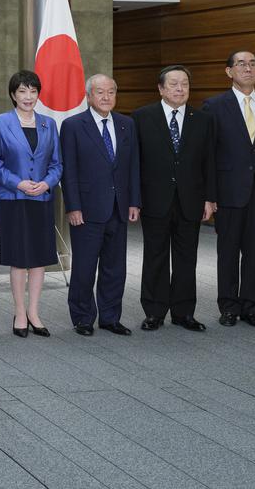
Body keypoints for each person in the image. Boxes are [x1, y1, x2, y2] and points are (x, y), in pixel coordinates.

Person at [202, 51, 255, 328]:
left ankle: (250, 306)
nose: (247, 69)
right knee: (227, 252)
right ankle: (228, 306)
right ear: (229, 71)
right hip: (228, 193)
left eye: (252, 65)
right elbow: (208, 156)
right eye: (241, 64)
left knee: (254, 252)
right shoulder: (213, 106)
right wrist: (209, 196)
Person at [131, 65, 216, 333]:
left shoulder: (202, 119)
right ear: (161, 88)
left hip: (191, 200)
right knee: (155, 256)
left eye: (185, 85)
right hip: (155, 199)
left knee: (186, 258)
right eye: (174, 84)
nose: (180, 89)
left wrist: (210, 199)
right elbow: (135, 163)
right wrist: (135, 198)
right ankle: (154, 311)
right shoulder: (142, 117)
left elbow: (209, 162)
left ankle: (183, 312)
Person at [61, 74, 140, 336]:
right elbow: (68, 170)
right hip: (86, 209)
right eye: (100, 92)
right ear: (89, 96)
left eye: (111, 92)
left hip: (119, 207)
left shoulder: (127, 124)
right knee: (84, 267)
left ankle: (110, 317)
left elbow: (133, 168)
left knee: (115, 267)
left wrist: (134, 202)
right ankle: (83, 317)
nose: (106, 97)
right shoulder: (73, 125)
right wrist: (73, 206)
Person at [0, 70, 61, 338]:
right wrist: (18, 183)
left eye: (33, 91)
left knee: (41, 257)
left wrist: (46, 183)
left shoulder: (48, 124)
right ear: (13, 94)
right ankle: (20, 312)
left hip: (42, 198)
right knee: (19, 258)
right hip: (14, 198)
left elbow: (57, 163)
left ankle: (34, 311)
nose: (28, 96)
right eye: (22, 91)